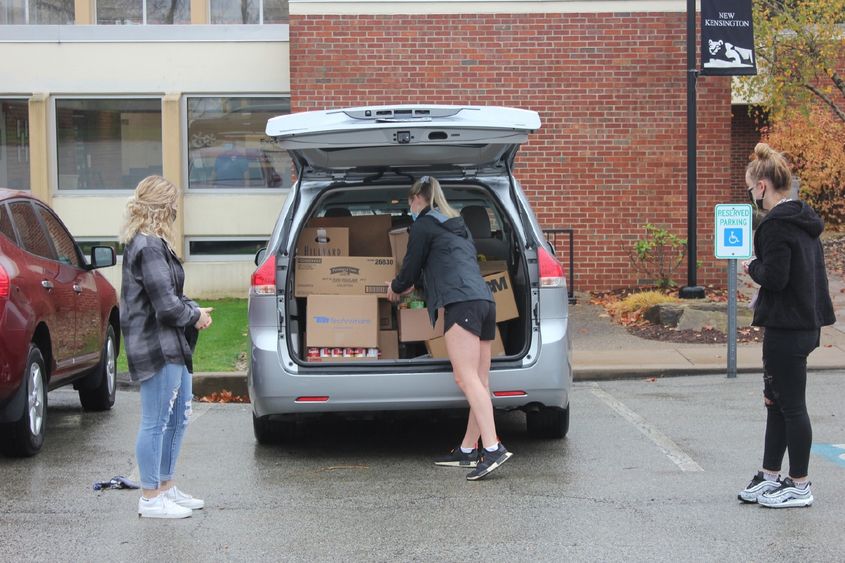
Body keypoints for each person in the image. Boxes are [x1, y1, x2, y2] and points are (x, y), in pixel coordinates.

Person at [387, 175, 513, 480]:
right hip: (485, 301)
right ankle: (469, 450)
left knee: (466, 378)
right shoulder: (458, 227)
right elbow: (441, 266)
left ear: (418, 199)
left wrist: (396, 287)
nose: (410, 208)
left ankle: (493, 448)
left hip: (461, 304)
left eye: (410, 202)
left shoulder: (423, 225)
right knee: (479, 382)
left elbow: (410, 267)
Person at [738, 143, 835, 508]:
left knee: (790, 405)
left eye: (750, 189)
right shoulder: (803, 220)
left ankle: (799, 483)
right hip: (805, 323)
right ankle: (770, 474)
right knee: (776, 401)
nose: (751, 197)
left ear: (762, 186)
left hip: (786, 326)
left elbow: (776, 278)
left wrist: (751, 267)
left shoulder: (775, 226)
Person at [120, 176, 214, 518]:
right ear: (164, 209)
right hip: (155, 346)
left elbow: (172, 296)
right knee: (155, 421)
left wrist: (195, 310)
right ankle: (150, 497)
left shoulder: (155, 244)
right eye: (174, 205)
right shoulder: (147, 246)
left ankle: (165, 486)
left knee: (177, 419)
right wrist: (195, 316)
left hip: (171, 344)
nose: (177, 211)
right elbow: (167, 307)